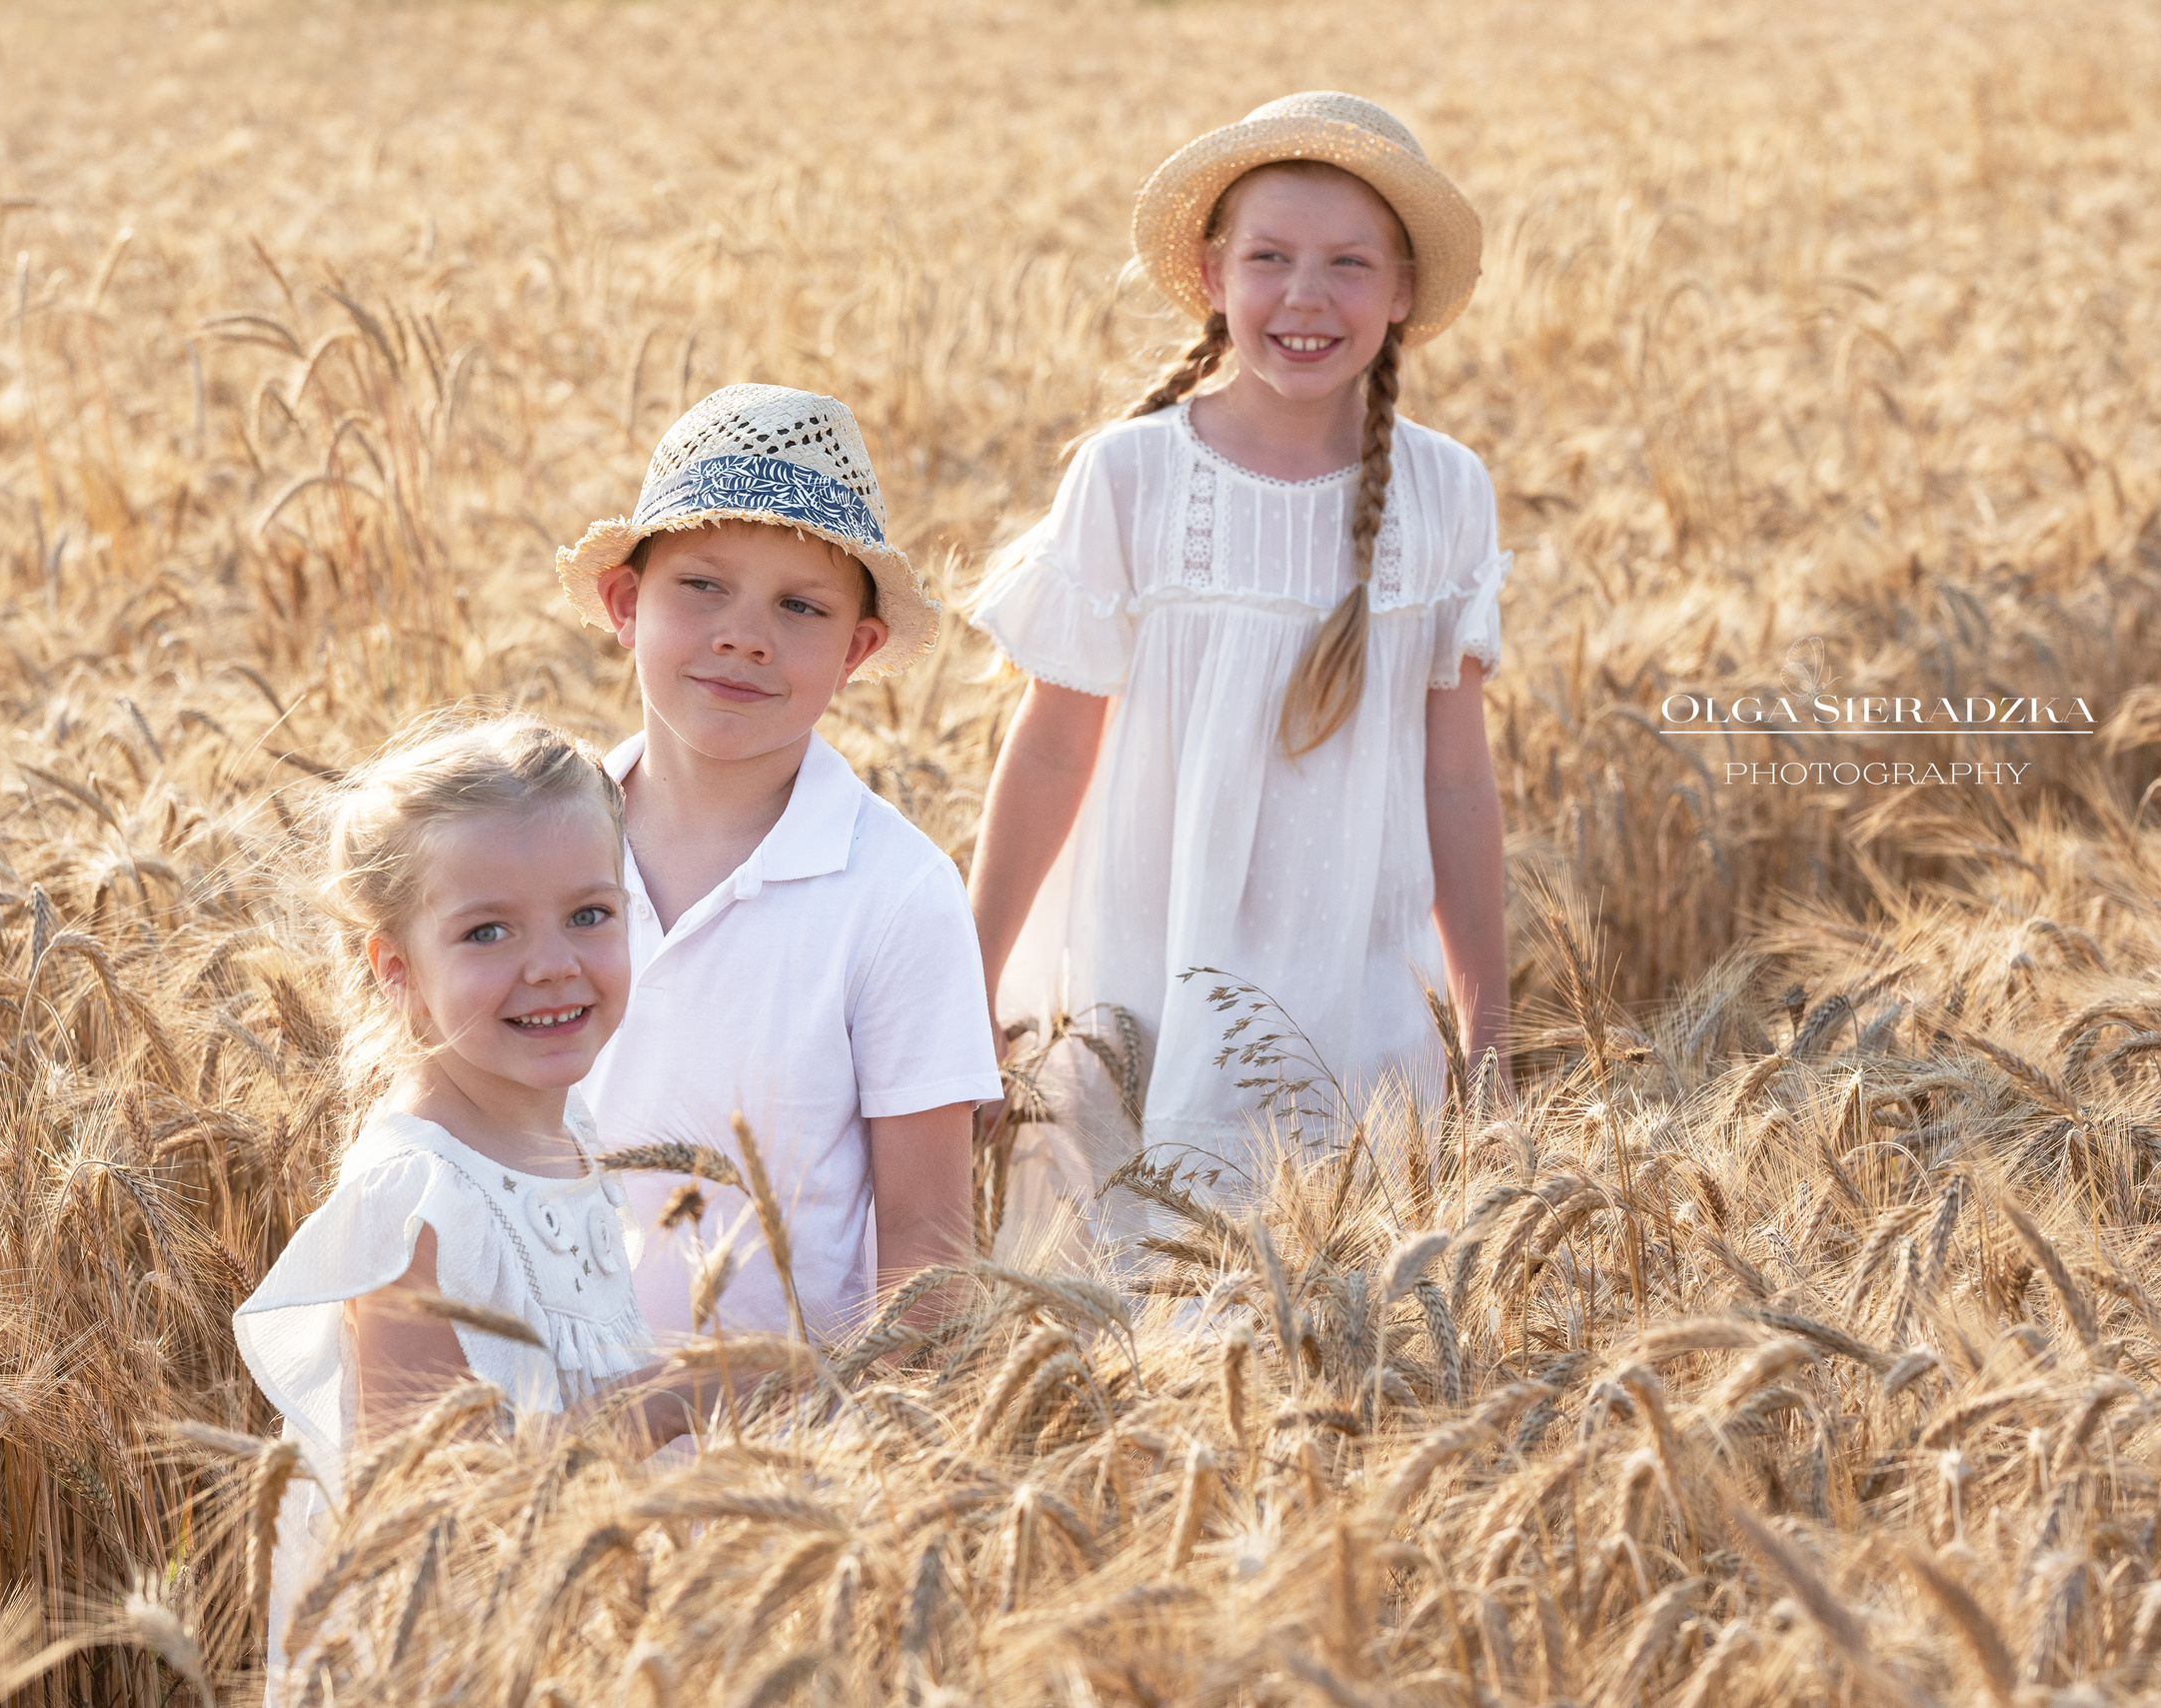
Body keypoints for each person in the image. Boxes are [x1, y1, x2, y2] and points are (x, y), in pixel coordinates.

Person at [967, 93, 1513, 1250]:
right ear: (1214, 274)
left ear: (1404, 291)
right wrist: (968, 978)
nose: (1306, 296)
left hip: (1354, 988)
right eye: (1270, 257)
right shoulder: (1129, 476)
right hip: (1144, 972)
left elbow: (1456, 776)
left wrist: (1488, 1019)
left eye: (1349, 264)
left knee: (1345, 1294)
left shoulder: (1446, 491)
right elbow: (1054, 743)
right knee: (1119, 1295)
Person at [232, 713, 692, 1693]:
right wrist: (661, 1407)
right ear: (395, 968)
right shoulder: (418, 1207)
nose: (553, 961)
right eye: (489, 930)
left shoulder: (573, 1139)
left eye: (589, 914)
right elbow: (435, 1516)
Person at [555, 383, 1004, 1351]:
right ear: (626, 603)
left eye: (799, 606)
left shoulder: (897, 894)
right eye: (703, 586)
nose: (744, 634)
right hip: (524, 1406)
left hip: (771, 1445)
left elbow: (928, 1247)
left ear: (857, 648)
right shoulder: (532, 842)